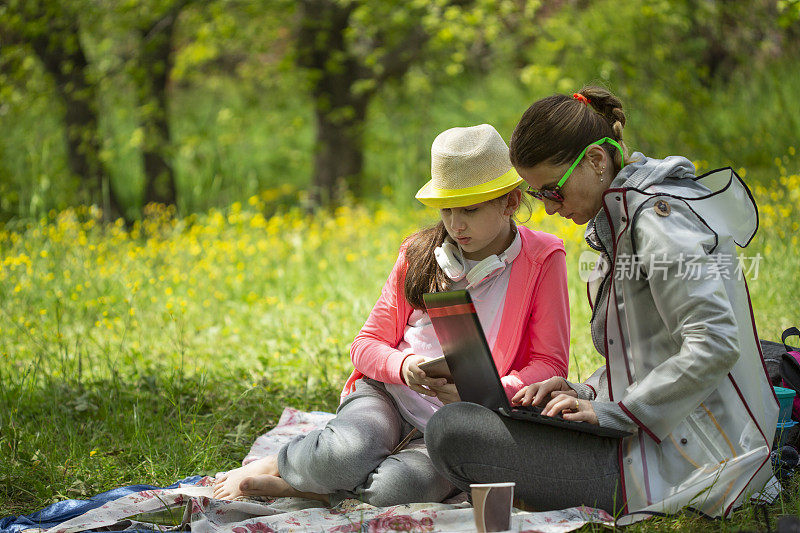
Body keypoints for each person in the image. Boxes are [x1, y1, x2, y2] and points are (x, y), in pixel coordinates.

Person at [426, 87, 779, 522]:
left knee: (453, 432)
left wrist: (616, 412)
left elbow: (714, 344)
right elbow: (642, 356)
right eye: (539, 196)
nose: (551, 209)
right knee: (465, 422)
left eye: (553, 190)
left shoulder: (660, 221)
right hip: (643, 439)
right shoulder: (624, 216)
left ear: (596, 161)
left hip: (688, 460)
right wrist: (583, 391)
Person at [212, 124, 571, 506]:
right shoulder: (419, 252)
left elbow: (549, 364)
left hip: (459, 423)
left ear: (510, 202)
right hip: (387, 395)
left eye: (470, 209)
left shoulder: (544, 258)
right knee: (342, 456)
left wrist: (493, 392)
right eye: (446, 209)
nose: (455, 224)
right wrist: (404, 366)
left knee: (395, 491)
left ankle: (304, 487)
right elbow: (365, 344)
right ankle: (281, 464)